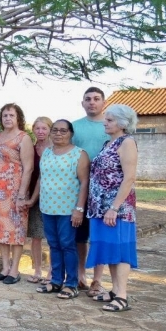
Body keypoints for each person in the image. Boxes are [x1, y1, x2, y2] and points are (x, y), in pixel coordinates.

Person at [86, 105, 139, 312]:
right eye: (105, 120)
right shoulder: (108, 143)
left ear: (123, 123)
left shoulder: (127, 143)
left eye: (109, 120)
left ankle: (122, 296)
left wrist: (114, 208)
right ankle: (115, 290)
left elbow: (129, 178)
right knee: (110, 249)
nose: (104, 123)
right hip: (100, 207)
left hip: (118, 208)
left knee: (120, 249)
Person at [34, 120, 89, 299]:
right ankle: (56, 281)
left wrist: (79, 209)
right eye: (55, 130)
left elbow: (84, 183)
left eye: (63, 130)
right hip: (48, 208)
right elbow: (41, 178)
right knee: (53, 245)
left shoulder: (79, 154)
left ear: (71, 133)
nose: (58, 133)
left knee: (68, 245)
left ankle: (71, 284)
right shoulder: (47, 153)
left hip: (68, 210)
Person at [0, 103, 34, 284]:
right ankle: (5, 266)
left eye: (11, 116)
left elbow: (28, 168)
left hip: (14, 190)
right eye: (5, 115)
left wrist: (22, 194)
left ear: (18, 118)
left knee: (16, 229)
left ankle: (15, 270)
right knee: (0, 229)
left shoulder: (24, 138)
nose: (7, 118)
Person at [73, 87, 110, 296]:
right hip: (79, 190)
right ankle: (80, 275)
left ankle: (97, 279)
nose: (92, 102)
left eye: (96, 99)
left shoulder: (111, 126)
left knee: (100, 237)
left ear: (103, 102)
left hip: (104, 193)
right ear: (82, 103)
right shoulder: (75, 127)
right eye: (88, 99)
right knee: (80, 235)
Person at [25, 117, 53, 283]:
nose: (41, 131)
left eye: (44, 128)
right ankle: (37, 270)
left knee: (51, 237)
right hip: (33, 196)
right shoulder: (31, 148)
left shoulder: (56, 149)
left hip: (53, 197)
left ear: (50, 130)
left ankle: (51, 272)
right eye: (38, 128)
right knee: (35, 236)